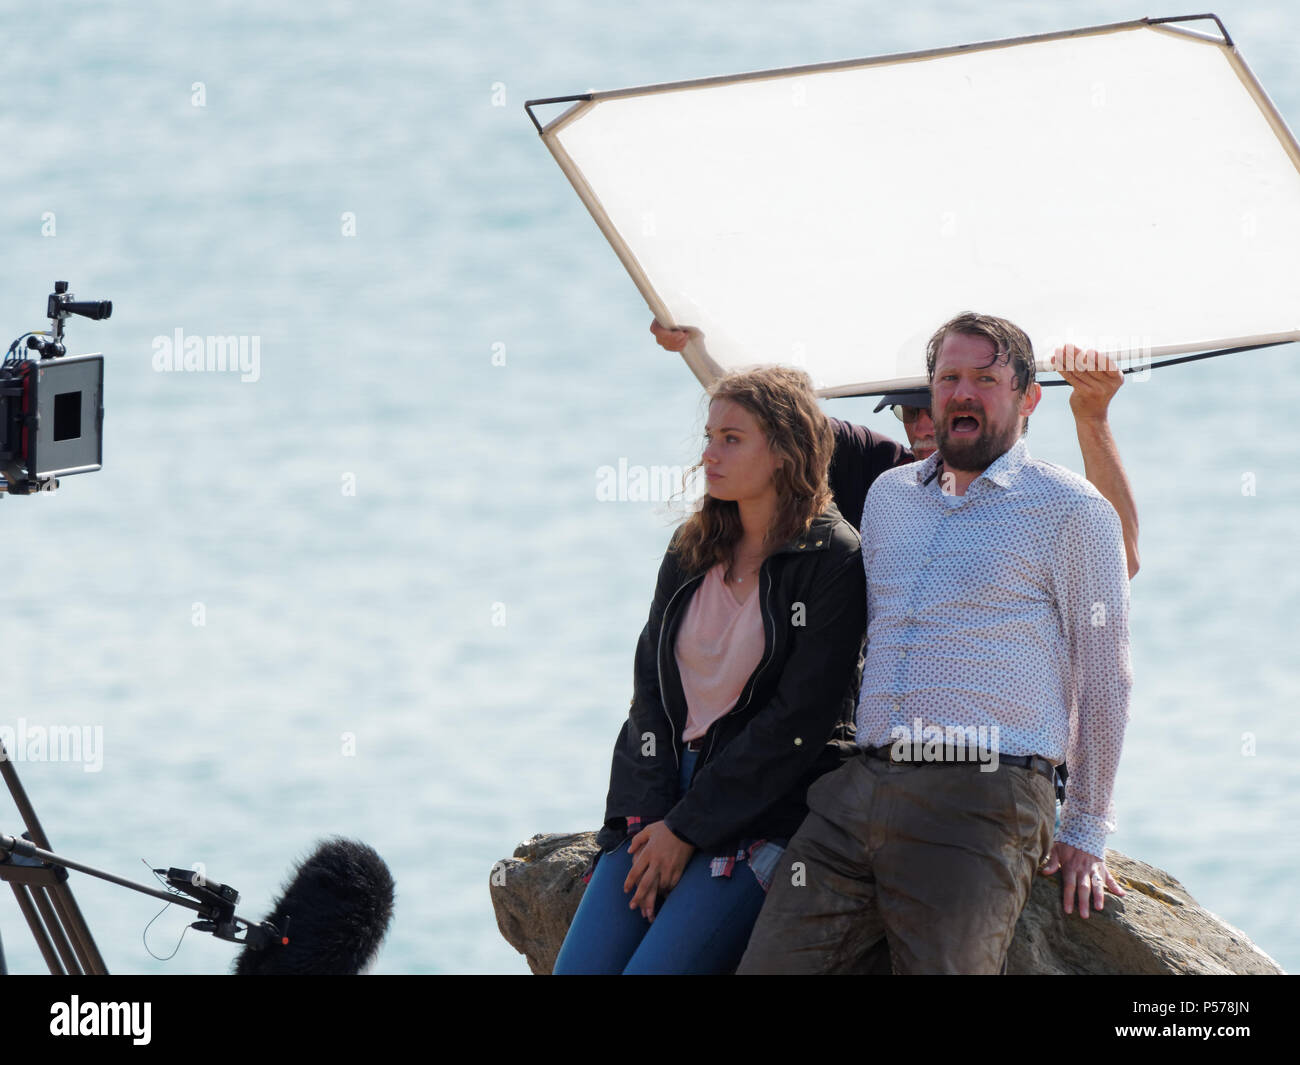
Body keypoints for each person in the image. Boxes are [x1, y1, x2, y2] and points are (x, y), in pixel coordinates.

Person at [737, 312, 1132, 974]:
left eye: (986, 377)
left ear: (1030, 397)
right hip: (857, 790)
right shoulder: (889, 498)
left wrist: (1085, 829)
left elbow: (1106, 675)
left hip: (983, 794)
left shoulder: (1073, 509)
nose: (963, 392)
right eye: (948, 377)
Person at [553, 366, 868, 974]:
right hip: (663, 794)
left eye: (731, 439)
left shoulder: (832, 557)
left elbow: (799, 722)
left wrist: (688, 830)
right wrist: (649, 822)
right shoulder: (691, 546)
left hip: (763, 811)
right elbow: (649, 693)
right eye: (708, 436)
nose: (708, 455)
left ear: (783, 451)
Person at [648, 318, 1140, 580]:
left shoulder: (1040, 496)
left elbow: (1122, 561)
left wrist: (1093, 416)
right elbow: (764, 418)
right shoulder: (883, 471)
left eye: (933, 404)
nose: (926, 422)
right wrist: (693, 342)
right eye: (909, 412)